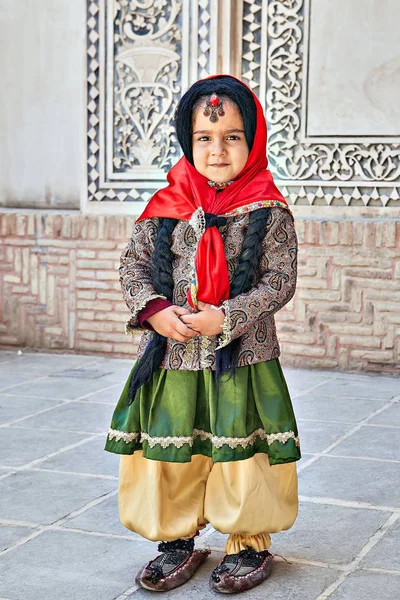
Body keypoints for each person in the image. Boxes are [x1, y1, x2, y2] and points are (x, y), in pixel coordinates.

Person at [105, 74, 301, 594]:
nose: (217, 150)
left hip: (242, 358)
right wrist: (153, 310)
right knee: (173, 451)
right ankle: (176, 538)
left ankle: (249, 542)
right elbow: (134, 264)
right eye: (205, 139)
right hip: (173, 358)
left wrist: (228, 318)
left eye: (232, 137)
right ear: (187, 142)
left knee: (243, 451)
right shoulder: (169, 201)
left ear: (253, 140)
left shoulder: (268, 207)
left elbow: (280, 281)